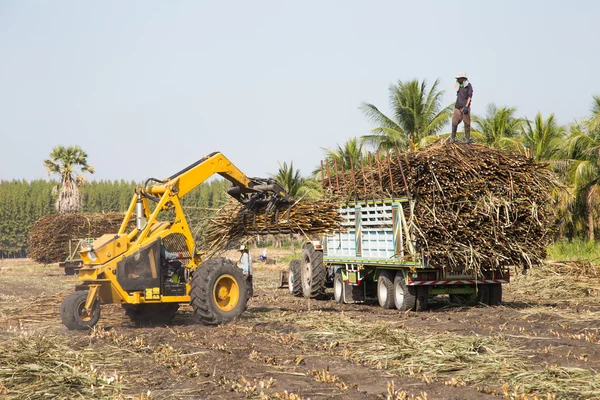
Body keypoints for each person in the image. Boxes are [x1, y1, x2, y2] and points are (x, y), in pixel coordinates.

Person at [450, 72, 474, 143]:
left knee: (466, 122)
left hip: (465, 106)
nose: (459, 79)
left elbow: (469, 96)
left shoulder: (468, 86)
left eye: (460, 78)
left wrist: (466, 106)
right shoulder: (458, 86)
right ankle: (453, 138)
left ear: (463, 78)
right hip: (458, 106)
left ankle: (467, 138)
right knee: (454, 122)